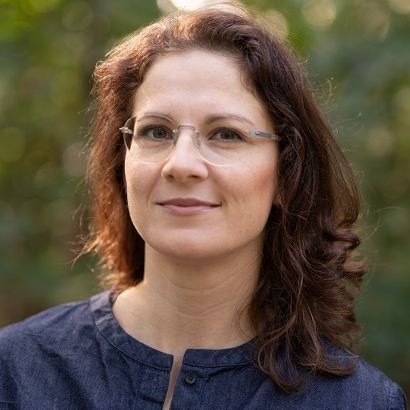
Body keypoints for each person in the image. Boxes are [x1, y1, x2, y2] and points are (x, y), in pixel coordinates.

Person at [0, 3, 407, 409]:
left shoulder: (360, 403)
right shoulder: (15, 372)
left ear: (287, 174)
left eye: (226, 134)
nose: (181, 164)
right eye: (156, 131)